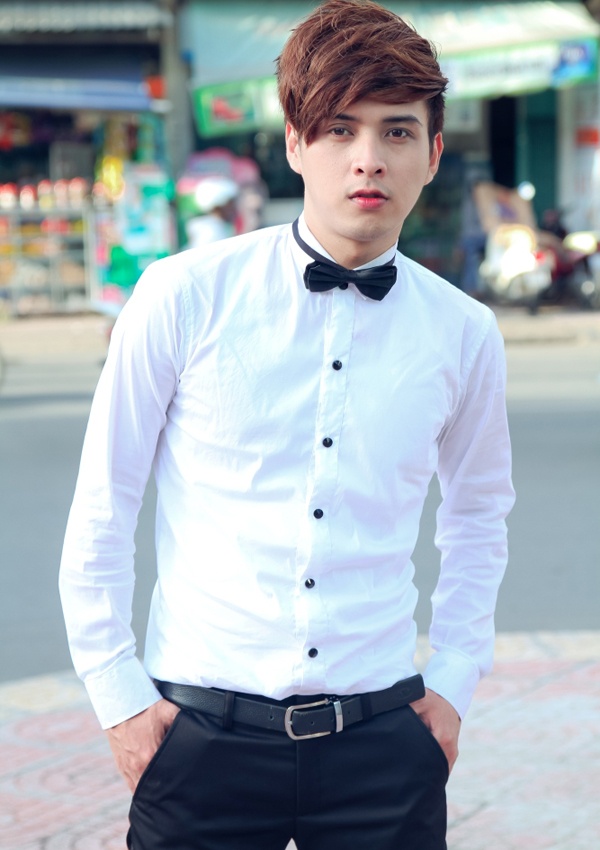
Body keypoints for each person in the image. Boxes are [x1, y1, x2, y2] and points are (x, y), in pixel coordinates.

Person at [59, 2, 515, 848]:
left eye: (397, 132)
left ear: (432, 154)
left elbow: (479, 516)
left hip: (384, 743)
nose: (368, 159)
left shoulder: (463, 332)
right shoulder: (183, 295)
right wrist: (118, 698)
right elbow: (103, 503)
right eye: (340, 130)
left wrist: (453, 683)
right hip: (201, 739)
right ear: (297, 144)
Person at [184, 175, 239, 248]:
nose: (234, 208)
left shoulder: (219, 227)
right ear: (218, 207)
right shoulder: (211, 232)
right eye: (230, 204)